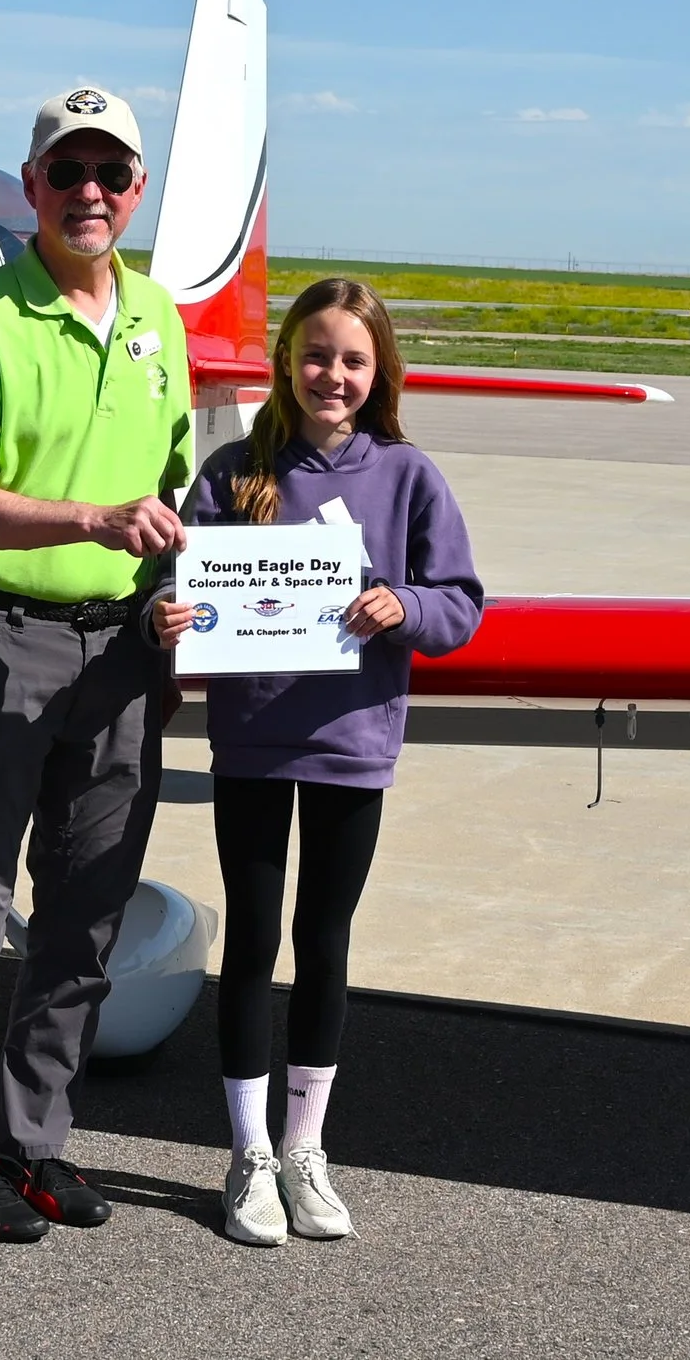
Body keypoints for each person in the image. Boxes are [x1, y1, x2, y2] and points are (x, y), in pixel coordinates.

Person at [0, 85, 194, 1243]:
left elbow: (174, 487)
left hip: (121, 649)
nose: (90, 193)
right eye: (66, 172)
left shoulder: (159, 318)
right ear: (30, 187)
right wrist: (90, 522)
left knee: (85, 914)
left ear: (135, 192)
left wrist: (189, 596)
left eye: (111, 175)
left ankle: (34, 1145)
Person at [151, 277, 483, 1246]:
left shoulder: (408, 477)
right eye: (314, 354)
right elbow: (176, 585)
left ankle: (306, 1147)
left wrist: (405, 609)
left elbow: (459, 601)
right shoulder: (232, 472)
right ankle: (247, 1152)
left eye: (351, 360)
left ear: (378, 372)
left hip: (351, 742)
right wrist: (165, 616)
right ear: (284, 360)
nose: (330, 375)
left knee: (323, 940)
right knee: (252, 940)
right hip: (251, 742)